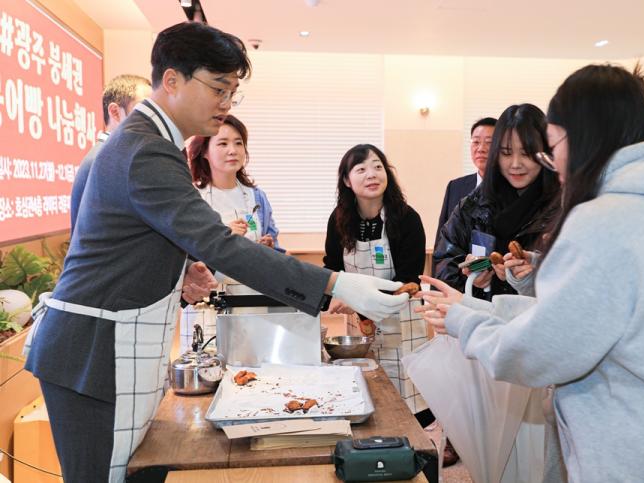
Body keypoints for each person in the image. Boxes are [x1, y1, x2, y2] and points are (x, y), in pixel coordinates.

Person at [23, 22, 408, 483]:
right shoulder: (146, 150)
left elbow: (120, 236)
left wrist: (181, 268)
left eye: (232, 92)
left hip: (105, 346)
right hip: (96, 353)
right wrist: (336, 284)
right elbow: (220, 244)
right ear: (172, 80)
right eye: (218, 88)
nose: (226, 103)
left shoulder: (145, 143)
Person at [420, 64, 644, 482]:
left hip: (637, 460)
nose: (552, 161)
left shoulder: (602, 220)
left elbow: (541, 352)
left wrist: (465, 320)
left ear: (582, 138)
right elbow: (597, 323)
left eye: (551, 145)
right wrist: (480, 307)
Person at [323, 144, 429, 417]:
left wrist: (361, 302)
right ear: (347, 180)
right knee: (367, 393)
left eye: (378, 167)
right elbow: (332, 268)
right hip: (359, 323)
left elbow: (409, 279)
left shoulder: (406, 218)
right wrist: (337, 297)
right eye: (361, 169)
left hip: (401, 317)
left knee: (409, 394)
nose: (371, 174)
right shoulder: (339, 220)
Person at [433, 104, 559, 300]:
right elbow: (443, 262)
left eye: (526, 153)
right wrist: (469, 277)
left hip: (539, 317)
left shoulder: (563, 207)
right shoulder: (473, 205)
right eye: (506, 153)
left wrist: (535, 275)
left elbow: (578, 280)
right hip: (483, 317)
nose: (515, 164)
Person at [179, 114, 282, 352]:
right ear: (204, 152)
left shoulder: (256, 197)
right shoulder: (192, 197)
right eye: (223, 143)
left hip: (252, 302)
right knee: (207, 365)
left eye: (238, 143)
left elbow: (277, 251)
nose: (232, 150)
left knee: (253, 366)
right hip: (206, 304)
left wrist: (268, 249)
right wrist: (223, 238)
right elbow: (182, 256)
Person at [70, 74, 152, 232]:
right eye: (144, 110)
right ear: (115, 112)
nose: (151, 119)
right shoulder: (106, 160)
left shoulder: (108, 155)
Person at [434, 117, 496, 242]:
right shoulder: (455, 187)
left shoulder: (513, 188)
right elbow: (442, 238)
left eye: (489, 142)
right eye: (476, 142)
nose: (481, 149)